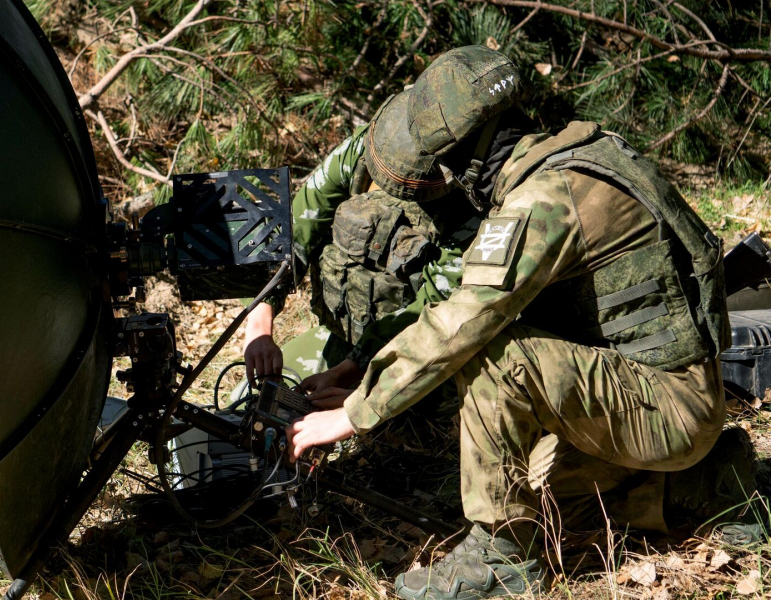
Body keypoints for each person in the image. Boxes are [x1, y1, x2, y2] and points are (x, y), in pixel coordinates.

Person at [285, 46, 758, 599]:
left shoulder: (544, 199)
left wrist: (355, 413)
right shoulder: (583, 153)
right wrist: (362, 369)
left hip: (667, 407)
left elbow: (464, 320)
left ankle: (501, 557)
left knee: (493, 355)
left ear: (466, 165)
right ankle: (707, 483)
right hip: (666, 397)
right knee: (546, 501)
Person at [243, 87, 487, 396]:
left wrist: (350, 372)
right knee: (250, 399)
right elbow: (295, 230)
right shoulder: (362, 151)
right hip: (346, 339)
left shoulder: (470, 196)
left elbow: (436, 306)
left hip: (424, 359)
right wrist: (260, 324)